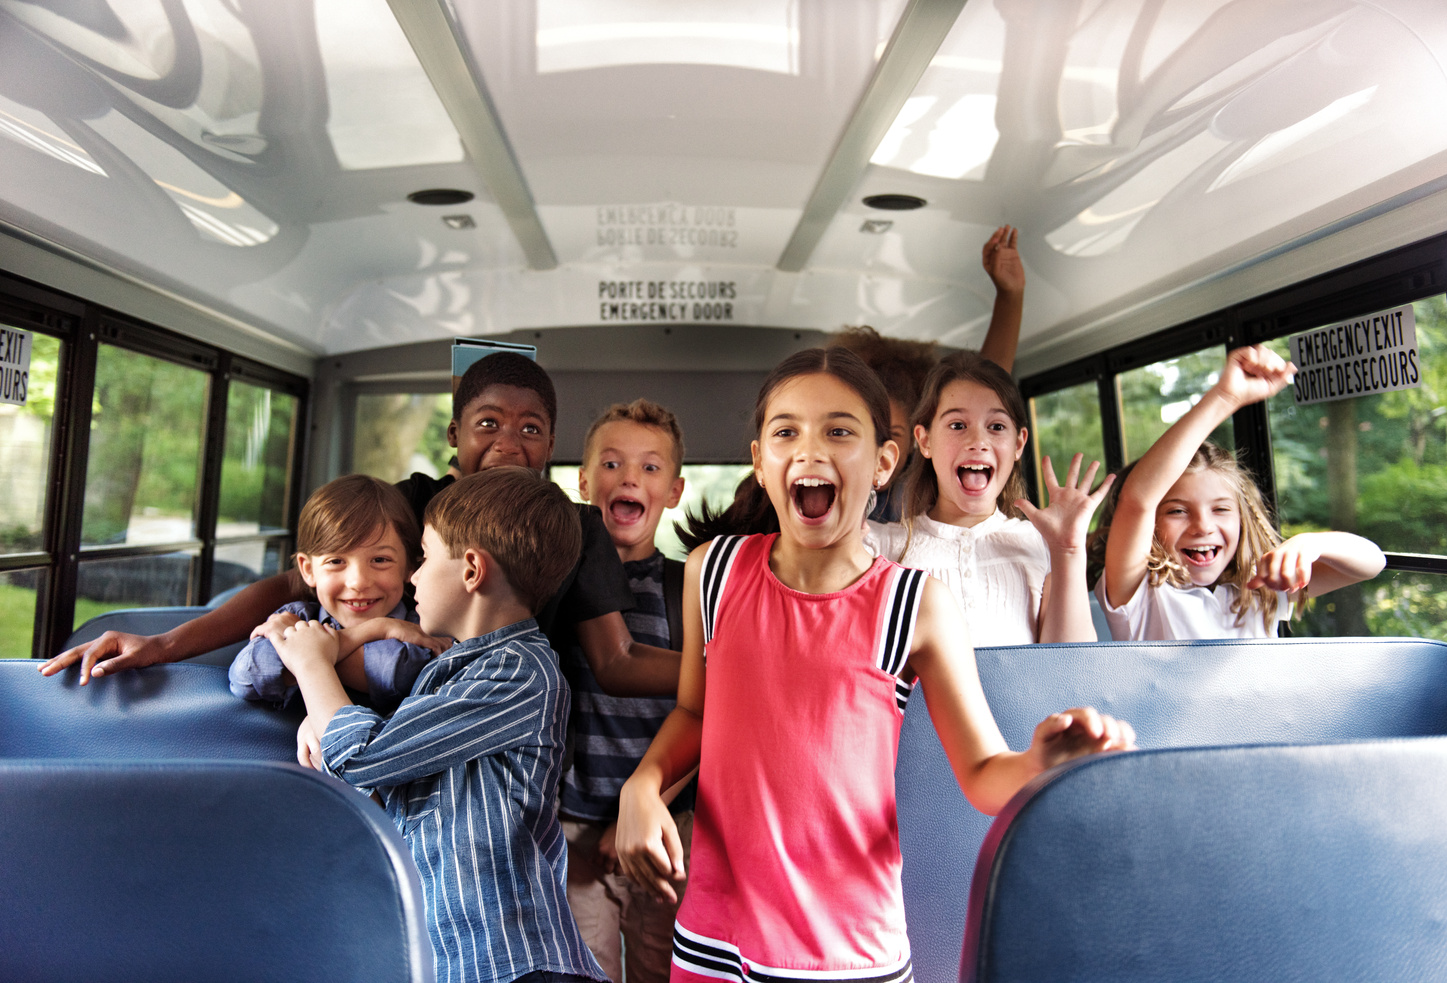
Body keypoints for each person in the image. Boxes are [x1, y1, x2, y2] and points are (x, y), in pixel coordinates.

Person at [617, 348, 1134, 983]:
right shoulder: (714, 572)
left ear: (884, 462)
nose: (810, 452)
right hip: (713, 940)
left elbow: (981, 774)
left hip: (850, 951)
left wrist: (1040, 764)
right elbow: (695, 713)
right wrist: (643, 785)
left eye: (838, 431)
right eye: (787, 432)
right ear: (760, 460)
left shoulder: (915, 605)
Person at [42, 353, 681, 698]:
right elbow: (293, 588)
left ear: (550, 445)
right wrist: (162, 645)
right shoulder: (405, 504)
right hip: (387, 706)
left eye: (530, 428)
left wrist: (741, 675)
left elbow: (616, 661)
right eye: (488, 423)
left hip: (507, 724)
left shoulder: (577, 530)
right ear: (455, 435)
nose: (509, 442)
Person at [277, 467, 605, 983]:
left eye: (425, 558)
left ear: (472, 570)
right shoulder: (450, 672)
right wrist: (321, 719)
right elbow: (387, 780)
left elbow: (366, 757)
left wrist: (313, 668)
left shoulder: (517, 670)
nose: (412, 577)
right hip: (458, 960)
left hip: (514, 960)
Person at [1096, 344, 1386, 640]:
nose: (1203, 526)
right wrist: (1226, 397)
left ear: (1242, 519)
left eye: (1220, 509)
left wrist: (1312, 545)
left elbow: (1372, 563)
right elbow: (1138, 499)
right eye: (1178, 511)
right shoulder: (1139, 592)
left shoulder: (1261, 588)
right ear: (1151, 525)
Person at [563, 400, 695, 983]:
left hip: (668, 830)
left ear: (673, 490)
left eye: (649, 469)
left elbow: (707, 719)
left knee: (660, 967)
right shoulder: (556, 591)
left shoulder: (684, 588)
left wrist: (650, 805)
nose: (629, 479)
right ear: (585, 482)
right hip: (574, 830)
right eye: (612, 465)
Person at [866, 353, 1113, 645]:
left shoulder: (1043, 544)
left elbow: (1071, 668)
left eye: (996, 427)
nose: (978, 442)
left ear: (1019, 443)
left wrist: (1068, 552)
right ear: (924, 440)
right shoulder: (877, 546)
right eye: (958, 425)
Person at [831, 224, 1027, 520]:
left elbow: (985, 392)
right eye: (867, 432)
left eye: (893, 436)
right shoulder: (833, 489)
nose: (882, 448)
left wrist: (1010, 295)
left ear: (917, 440)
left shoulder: (920, 490)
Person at [228, 474, 449, 714]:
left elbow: (394, 673)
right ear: (308, 569)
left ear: (410, 567)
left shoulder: (422, 632)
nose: (358, 582)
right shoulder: (297, 614)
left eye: (380, 559)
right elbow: (247, 674)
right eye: (336, 561)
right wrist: (371, 631)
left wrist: (302, 651)